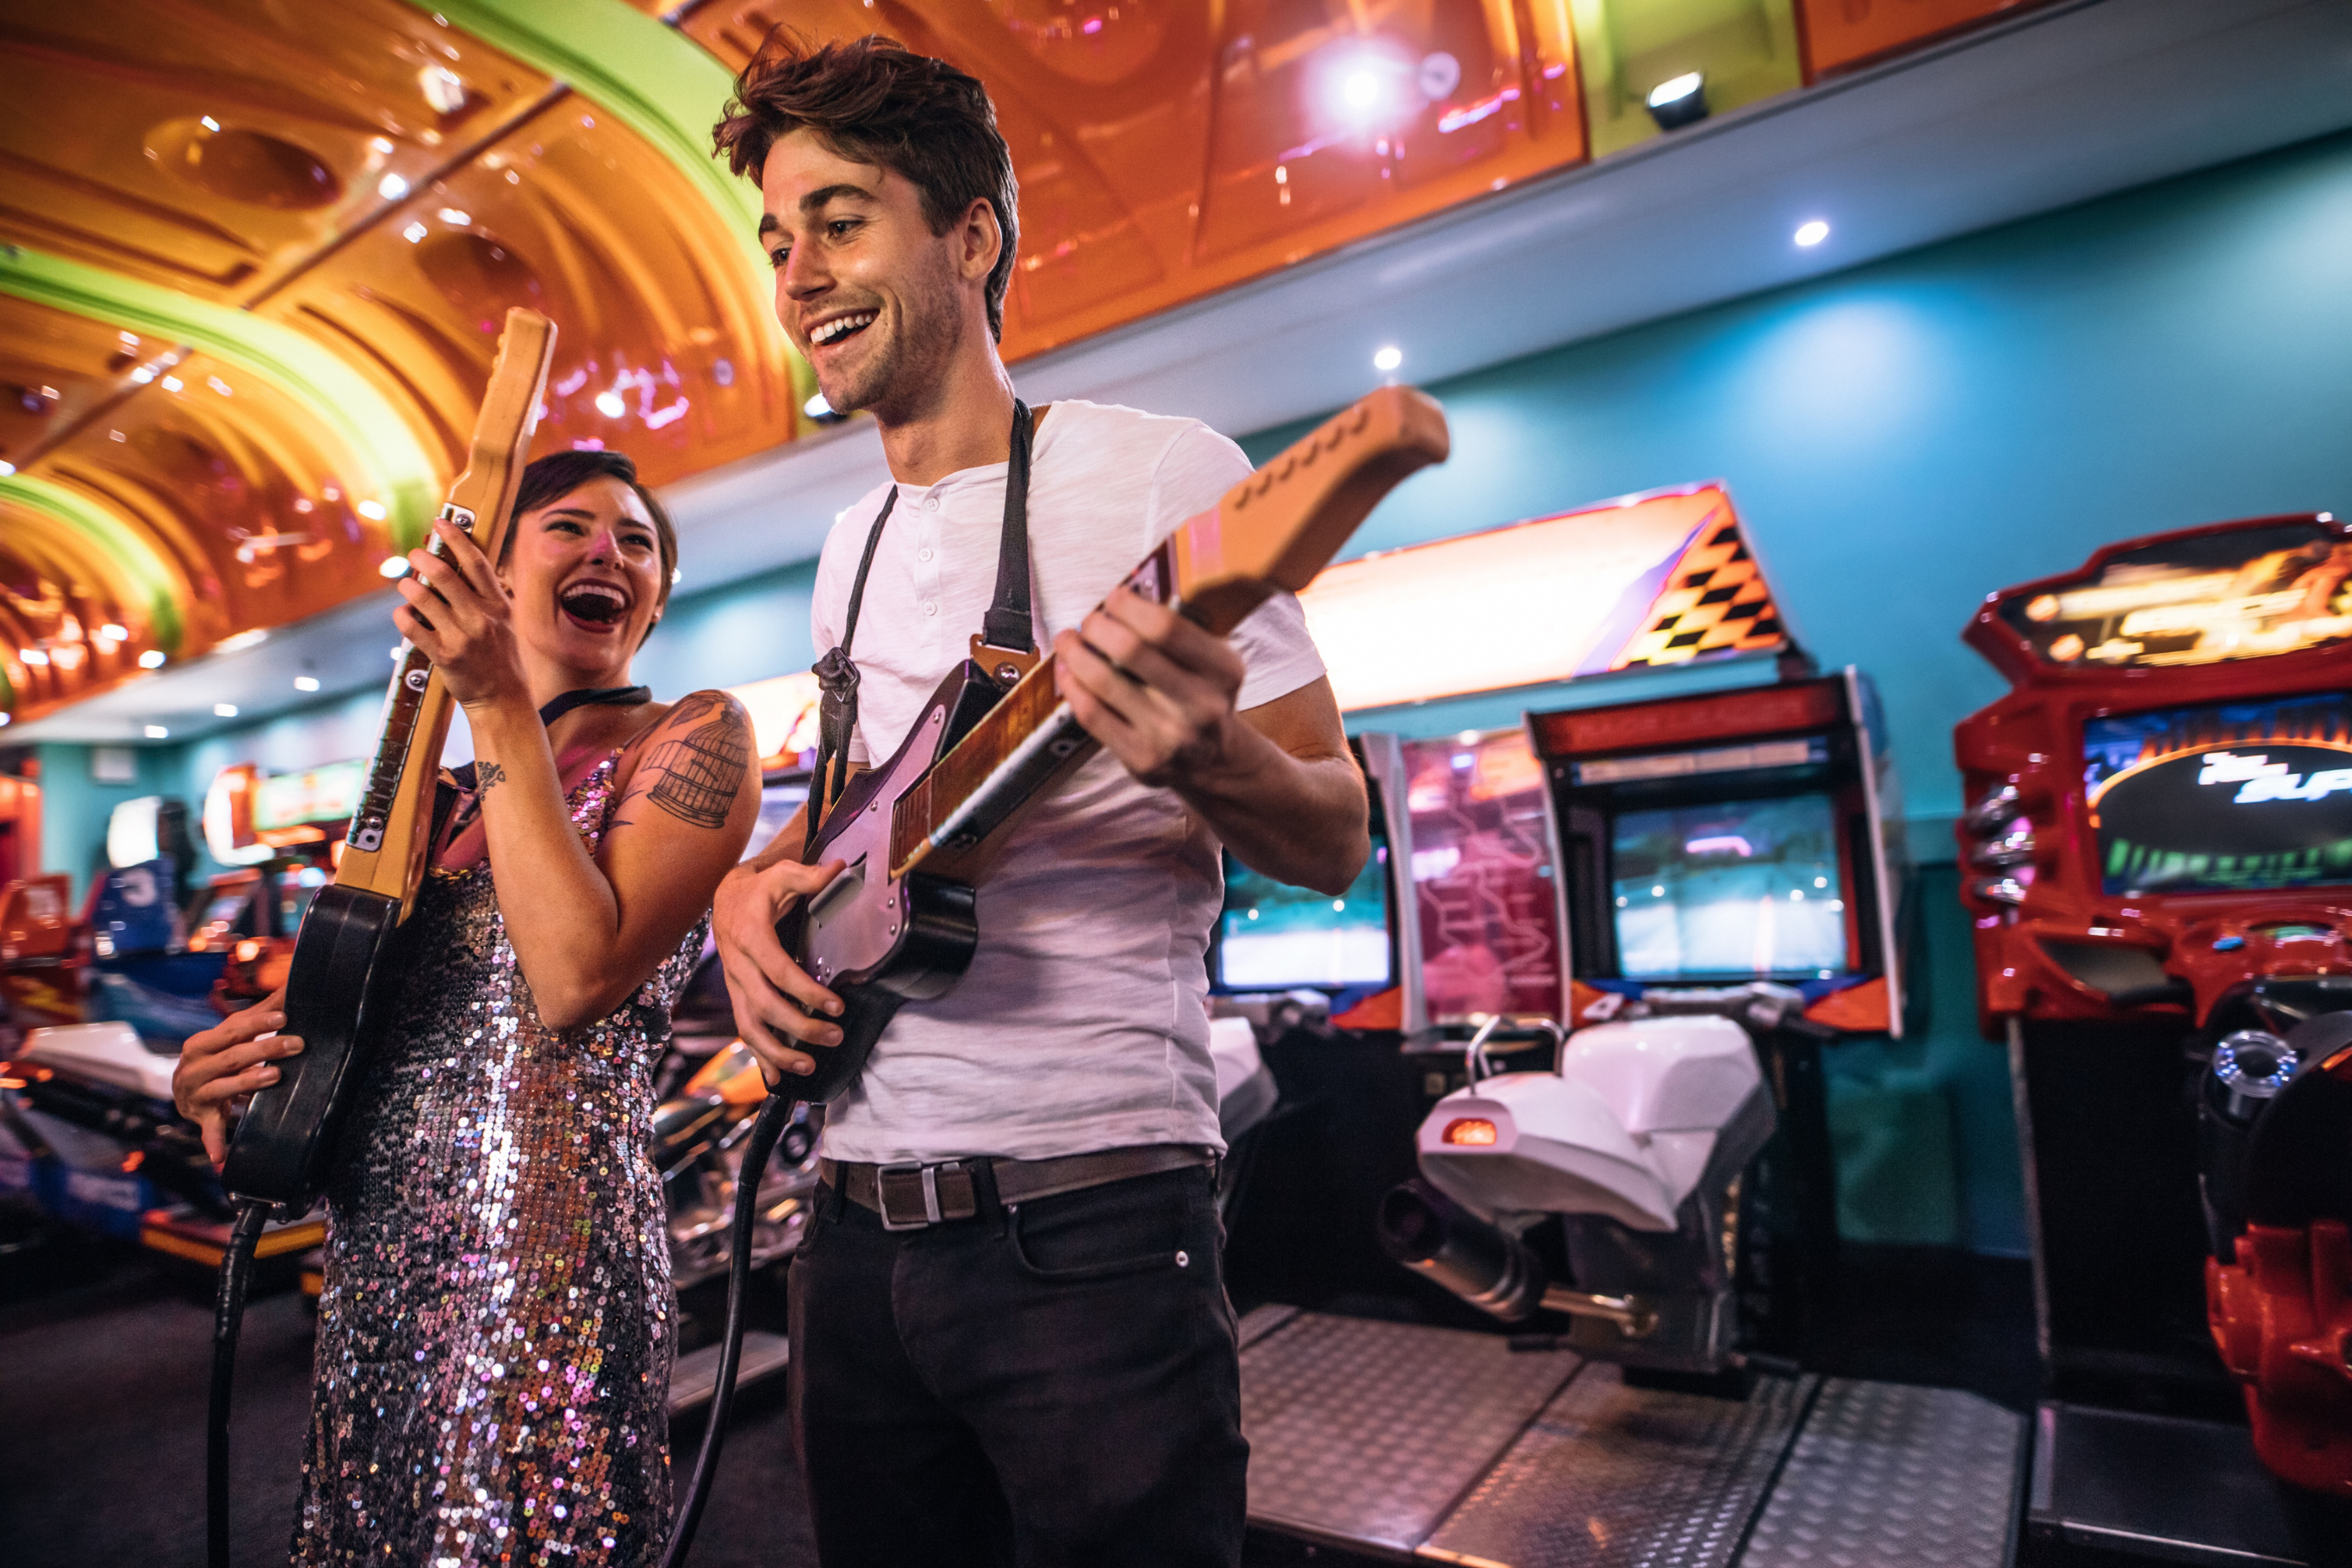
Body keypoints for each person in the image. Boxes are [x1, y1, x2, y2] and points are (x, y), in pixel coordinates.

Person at [707, 36, 1369, 1568]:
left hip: (1091, 1220)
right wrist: (753, 894)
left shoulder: (1161, 478)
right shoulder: (845, 542)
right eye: (776, 238)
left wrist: (1200, 756)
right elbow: (844, 830)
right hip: (849, 1224)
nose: (796, 271)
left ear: (972, 236)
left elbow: (1334, 834)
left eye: (840, 218)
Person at [172, 451, 761, 1567]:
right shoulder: (418, 802)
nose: (607, 553)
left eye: (636, 543)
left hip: (552, 1266)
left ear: (657, 597)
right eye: (571, 528)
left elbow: (575, 978)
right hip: (376, 1269)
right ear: (487, 577)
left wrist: (494, 701)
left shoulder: (690, 737)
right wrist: (233, 1078)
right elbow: (334, 1029)